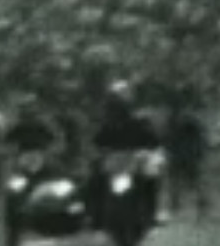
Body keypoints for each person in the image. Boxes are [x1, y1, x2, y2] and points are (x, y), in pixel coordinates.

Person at [86, 82, 163, 233]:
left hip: (131, 160)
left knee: (150, 180)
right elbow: (97, 141)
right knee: (95, 181)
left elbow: (152, 140)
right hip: (116, 161)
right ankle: (95, 216)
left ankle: (150, 213)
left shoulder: (137, 120)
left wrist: (150, 150)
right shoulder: (109, 122)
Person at [163, 99, 208, 222]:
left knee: (177, 180)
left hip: (181, 155)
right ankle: (198, 202)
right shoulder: (188, 119)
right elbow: (201, 135)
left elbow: (167, 138)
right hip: (187, 155)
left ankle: (177, 203)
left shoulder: (174, 120)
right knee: (190, 181)